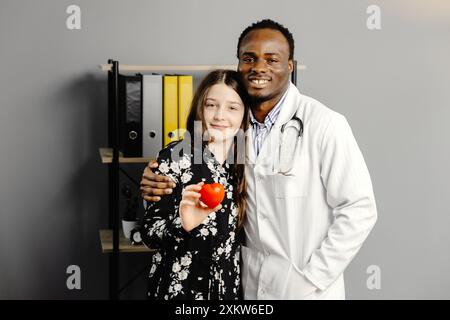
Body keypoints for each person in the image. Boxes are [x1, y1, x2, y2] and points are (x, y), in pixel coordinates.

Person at [140, 19, 378, 300]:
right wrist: (155, 177)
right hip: (247, 285)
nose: (259, 68)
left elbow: (359, 208)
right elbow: (193, 169)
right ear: (239, 63)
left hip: (307, 286)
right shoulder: (234, 130)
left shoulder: (325, 124)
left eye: (272, 59)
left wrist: (314, 276)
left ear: (290, 66)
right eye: (249, 58)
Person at [140, 69, 250, 300]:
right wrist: (183, 224)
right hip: (180, 289)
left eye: (232, 107)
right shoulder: (175, 156)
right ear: (200, 107)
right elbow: (149, 234)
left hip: (227, 289)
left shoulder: (246, 162)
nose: (220, 115)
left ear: (244, 114)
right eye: (211, 105)